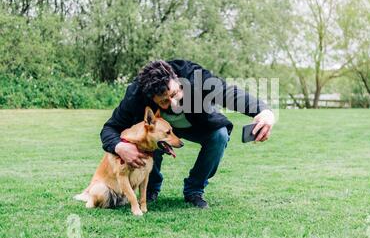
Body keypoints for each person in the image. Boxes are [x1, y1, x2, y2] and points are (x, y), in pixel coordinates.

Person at [100, 59, 275, 208]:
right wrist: (119, 146)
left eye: (175, 93)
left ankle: (194, 190)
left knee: (219, 135)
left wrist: (263, 111)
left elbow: (227, 92)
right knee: (147, 139)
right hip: (160, 132)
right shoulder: (136, 95)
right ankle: (151, 189)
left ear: (176, 78)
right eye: (164, 101)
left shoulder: (195, 76)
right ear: (151, 98)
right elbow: (110, 128)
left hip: (196, 124)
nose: (174, 103)